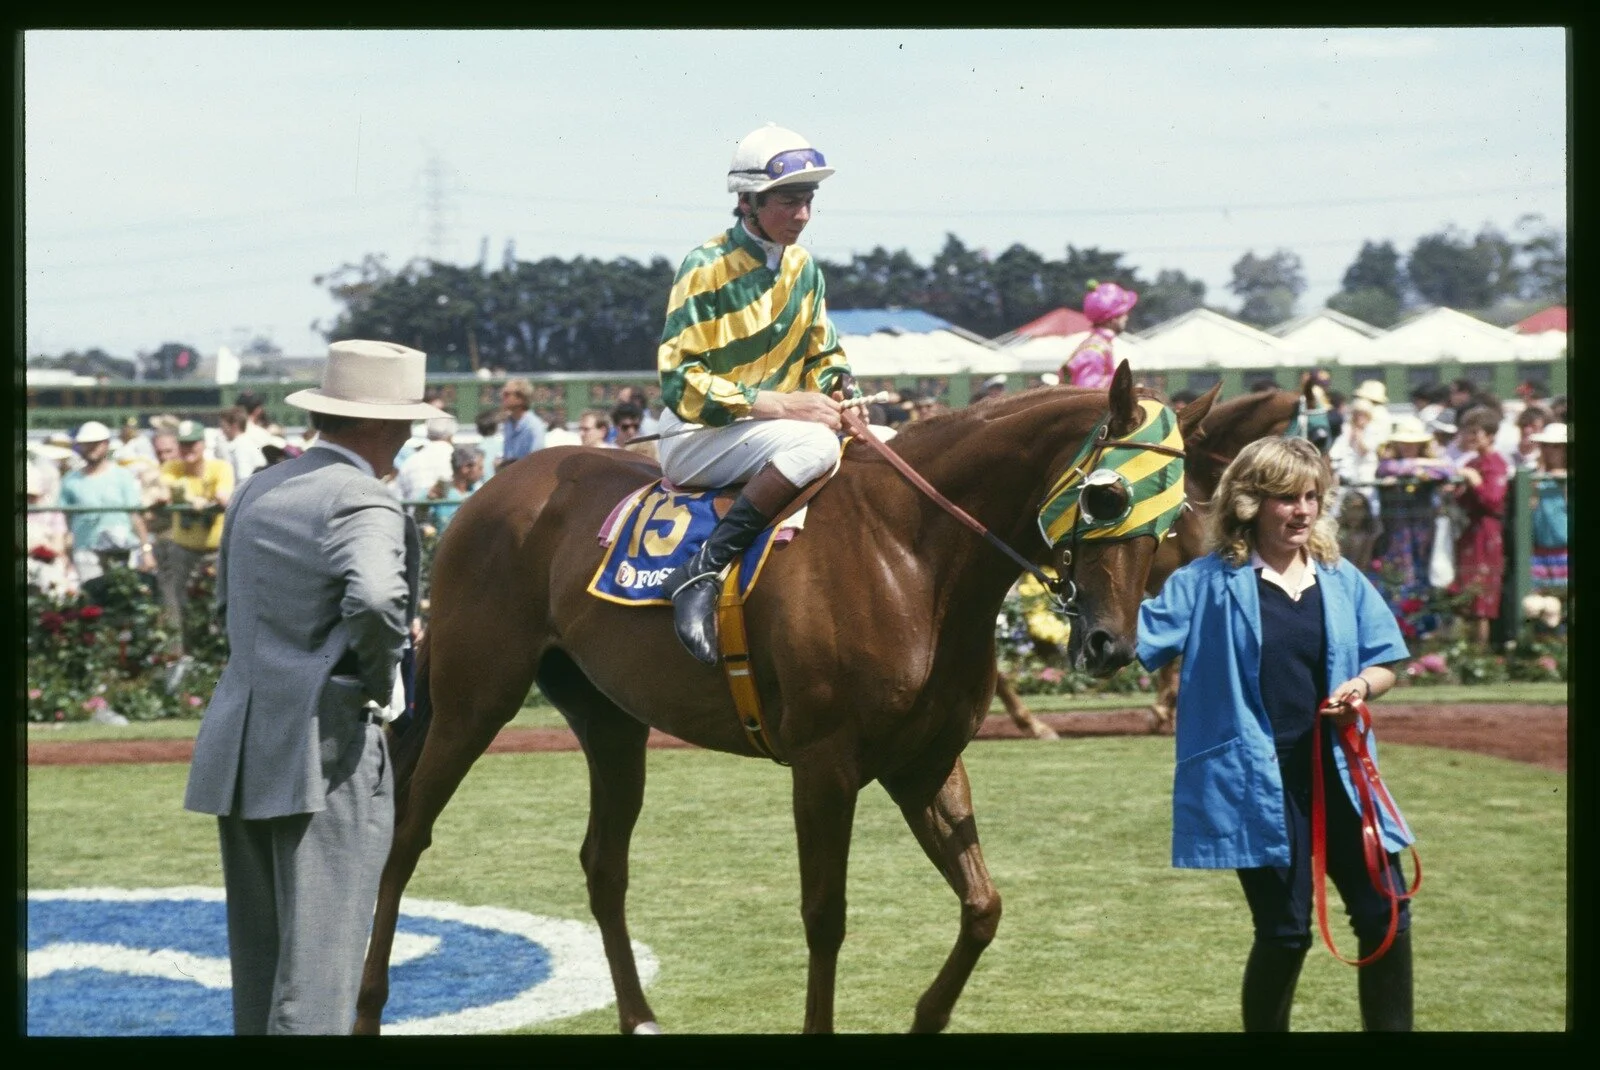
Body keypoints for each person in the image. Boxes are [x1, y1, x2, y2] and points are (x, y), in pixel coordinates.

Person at [183, 339, 436, 1035]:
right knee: (320, 974)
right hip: (328, 740)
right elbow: (380, 600)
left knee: (260, 964)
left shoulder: (258, 487)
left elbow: (227, 608)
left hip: (242, 733)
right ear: (387, 425)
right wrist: (384, 672)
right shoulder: (364, 500)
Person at [1137, 436, 1416, 1032]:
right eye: (1286, 498)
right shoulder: (1203, 582)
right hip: (1254, 780)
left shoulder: (1340, 578)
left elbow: (1387, 660)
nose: (1303, 510)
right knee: (1286, 933)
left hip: (1340, 769)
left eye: (1312, 496)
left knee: (1386, 912)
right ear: (1248, 503)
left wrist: (1363, 686)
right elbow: (1127, 641)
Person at [654, 122, 855, 665]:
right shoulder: (705, 266)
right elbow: (680, 382)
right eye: (789, 202)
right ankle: (700, 572)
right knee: (814, 449)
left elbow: (823, 356)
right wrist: (786, 404)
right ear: (748, 201)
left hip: (772, 434)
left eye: (808, 201)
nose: (803, 215)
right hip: (699, 433)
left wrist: (843, 398)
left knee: (887, 444)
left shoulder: (804, 268)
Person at [153, 420, 235, 659]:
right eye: (184, 445)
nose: (188, 450)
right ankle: (181, 655)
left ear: (203, 445)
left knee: (219, 601)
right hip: (184, 549)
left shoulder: (220, 467)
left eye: (193, 444)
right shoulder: (171, 468)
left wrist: (207, 498)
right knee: (178, 602)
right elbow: (165, 491)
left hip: (215, 549)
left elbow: (224, 496)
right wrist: (193, 498)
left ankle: (221, 653)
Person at [58, 420, 152, 588]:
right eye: (87, 444)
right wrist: (65, 554)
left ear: (106, 445)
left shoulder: (123, 476)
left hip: (121, 547)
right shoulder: (70, 481)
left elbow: (135, 516)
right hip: (85, 548)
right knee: (92, 597)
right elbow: (65, 521)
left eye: (96, 444)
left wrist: (146, 551)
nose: (92, 449)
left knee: (122, 594)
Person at [1448, 406, 1509, 648]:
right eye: (1467, 432)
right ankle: (1464, 651)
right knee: (1465, 593)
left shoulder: (1496, 463)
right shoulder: (1473, 461)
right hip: (1469, 533)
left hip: (1487, 533)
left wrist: (1475, 482)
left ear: (1491, 435)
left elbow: (1494, 501)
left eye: (1475, 433)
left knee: (1483, 597)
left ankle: (1481, 657)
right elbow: (1465, 501)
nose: (1469, 438)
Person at [1060, 280, 1138, 389]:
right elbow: (1088, 398)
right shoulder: (1094, 351)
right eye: (1124, 313)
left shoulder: (1099, 344)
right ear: (1113, 318)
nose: (1127, 317)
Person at [1527, 422, 1567, 595]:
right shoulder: (1534, 475)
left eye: (1556, 447)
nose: (1549, 451)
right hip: (1539, 551)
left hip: (1566, 552)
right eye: (1545, 446)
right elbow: (1530, 507)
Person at [394, 415, 459, 509]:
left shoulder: (410, 461)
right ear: (451, 435)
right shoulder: (457, 459)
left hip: (414, 520)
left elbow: (398, 497)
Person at [427, 444, 485, 532]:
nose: (483, 473)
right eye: (480, 468)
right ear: (466, 467)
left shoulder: (480, 494)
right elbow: (419, 518)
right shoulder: (438, 492)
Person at [497, 378, 546, 468]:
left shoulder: (534, 426)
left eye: (507, 394)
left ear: (521, 399)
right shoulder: (508, 424)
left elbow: (537, 460)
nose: (502, 397)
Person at [220, 406, 268, 484]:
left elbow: (243, 478)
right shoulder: (245, 442)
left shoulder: (241, 446)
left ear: (234, 425)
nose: (222, 431)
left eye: (224, 426)